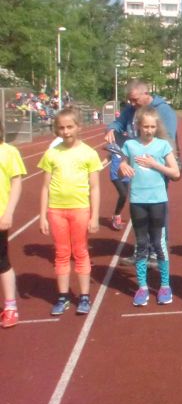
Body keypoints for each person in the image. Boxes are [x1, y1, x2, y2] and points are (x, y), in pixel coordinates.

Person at [38, 108, 102, 315]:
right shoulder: (52, 153)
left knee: (81, 252)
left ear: (78, 127)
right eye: (61, 128)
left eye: (69, 127)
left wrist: (94, 216)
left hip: (80, 209)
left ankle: (84, 297)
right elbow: (45, 187)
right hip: (56, 210)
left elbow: (95, 187)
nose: (65, 131)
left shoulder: (89, 153)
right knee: (62, 253)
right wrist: (42, 216)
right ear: (57, 130)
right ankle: (63, 296)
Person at [120, 107, 180, 306]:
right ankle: (142, 287)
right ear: (138, 126)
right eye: (145, 126)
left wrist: (155, 165)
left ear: (157, 127)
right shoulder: (129, 145)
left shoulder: (163, 146)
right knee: (141, 244)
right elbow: (121, 170)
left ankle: (165, 285)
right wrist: (122, 166)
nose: (149, 130)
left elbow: (175, 173)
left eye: (152, 127)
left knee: (158, 243)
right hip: (137, 201)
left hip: (158, 201)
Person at [0, 120, 26, 328]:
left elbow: (16, 182)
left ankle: (10, 306)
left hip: (0, 214)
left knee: (1, 261)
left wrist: (8, 213)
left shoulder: (8, 152)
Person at [107, 132, 130, 230]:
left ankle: (117, 215)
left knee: (124, 197)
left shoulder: (130, 146)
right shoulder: (113, 147)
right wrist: (99, 166)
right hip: (115, 175)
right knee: (123, 194)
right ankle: (116, 216)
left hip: (126, 175)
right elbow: (108, 155)